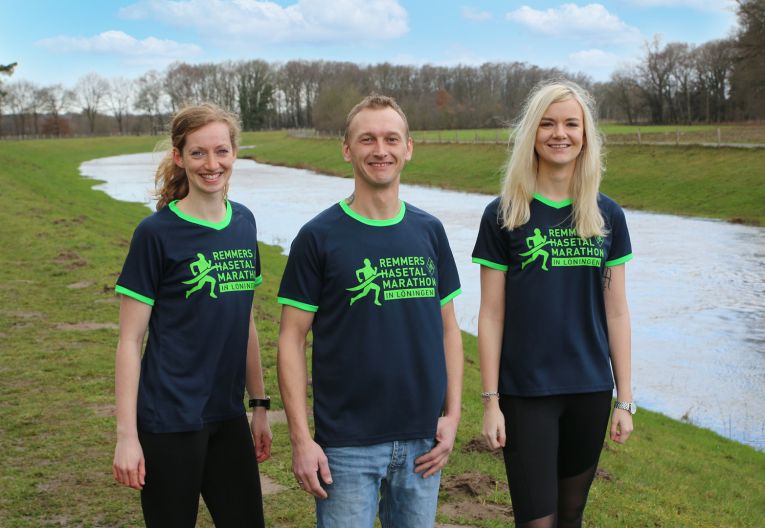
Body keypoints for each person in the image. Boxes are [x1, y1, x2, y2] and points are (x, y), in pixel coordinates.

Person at [277, 94, 464, 527]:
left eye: (390, 139)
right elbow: (290, 339)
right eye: (367, 139)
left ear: (408, 148)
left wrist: (452, 416)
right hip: (346, 445)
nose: (380, 150)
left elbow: (449, 330)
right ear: (347, 149)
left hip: (423, 442)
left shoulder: (429, 231)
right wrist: (302, 440)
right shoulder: (318, 236)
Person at [472, 80, 635, 528]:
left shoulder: (607, 216)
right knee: (536, 521)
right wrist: (490, 400)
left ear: (585, 135)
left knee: (570, 517)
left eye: (570, 123)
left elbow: (617, 311)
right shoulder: (505, 214)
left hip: (590, 389)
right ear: (532, 134)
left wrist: (625, 399)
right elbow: (490, 313)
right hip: (526, 393)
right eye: (547, 123)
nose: (559, 133)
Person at [112, 103, 272, 527]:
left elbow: (246, 320)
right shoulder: (156, 234)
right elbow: (130, 341)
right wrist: (127, 437)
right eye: (198, 153)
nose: (211, 163)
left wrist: (258, 404)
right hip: (168, 419)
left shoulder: (244, 223)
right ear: (179, 157)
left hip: (227, 413)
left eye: (221, 151)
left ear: (234, 153)